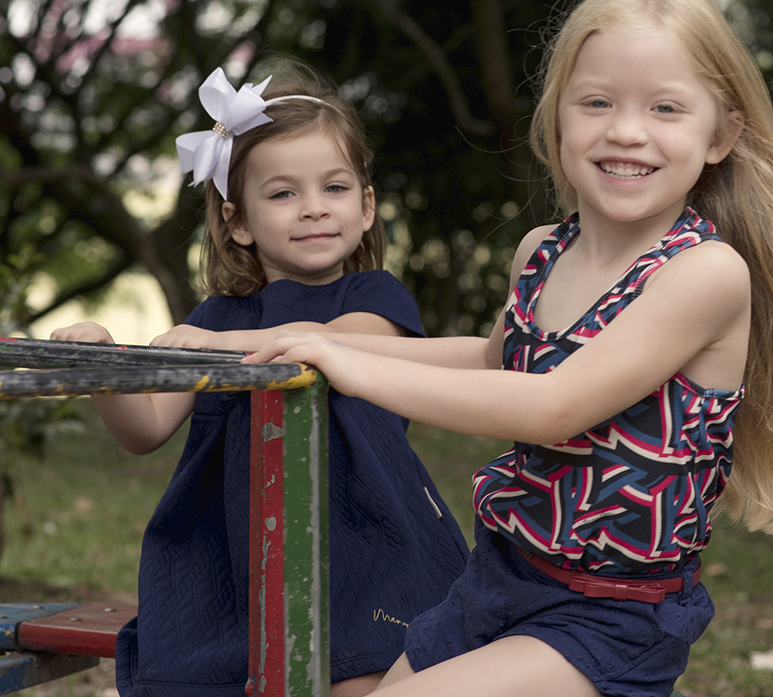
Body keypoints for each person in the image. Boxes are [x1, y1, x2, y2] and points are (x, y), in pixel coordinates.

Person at [247, 0, 773, 697]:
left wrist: (354, 371)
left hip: (610, 617)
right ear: (556, 116)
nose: (627, 132)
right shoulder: (542, 253)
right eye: (596, 103)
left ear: (721, 135)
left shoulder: (704, 274)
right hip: (496, 579)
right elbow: (492, 362)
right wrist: (271, 343)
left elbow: (554, 405)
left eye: (665, 108)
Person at [51, 65, 469, 697]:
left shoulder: (373, 300)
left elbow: (336, 345)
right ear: (238, 221)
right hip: (236, 554)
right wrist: (107, 367)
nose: (313, 209)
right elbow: (146, 429)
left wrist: (215, 349)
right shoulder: (218, 317)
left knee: (361, 676)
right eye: (282, 194)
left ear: (366, 205)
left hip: (368, 546)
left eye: (334, 187)